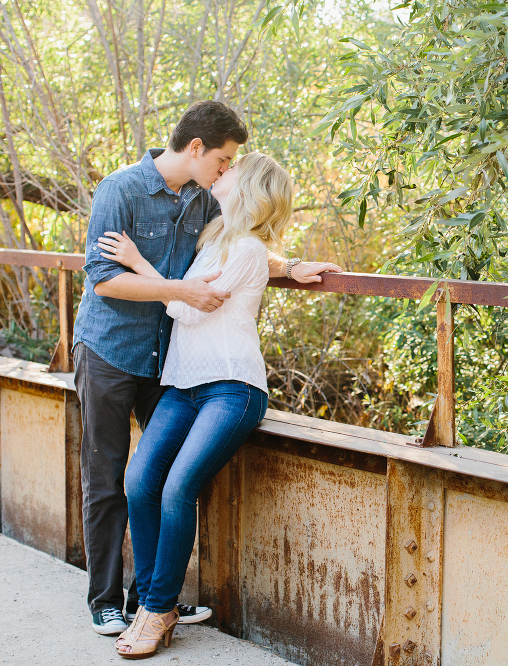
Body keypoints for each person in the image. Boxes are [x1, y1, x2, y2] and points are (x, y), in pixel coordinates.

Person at [74, 100, 338, 636]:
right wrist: (178, 289)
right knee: (109, 478)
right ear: (196, 148)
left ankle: (150, 599)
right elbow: (102, 280)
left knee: (156, 482)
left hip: (171, 362)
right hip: (111, 350)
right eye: (222, 159)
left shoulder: (203, 202)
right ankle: (106, 600)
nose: (224, 170)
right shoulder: (120, 190)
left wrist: (290, 266)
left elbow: (245, 243)